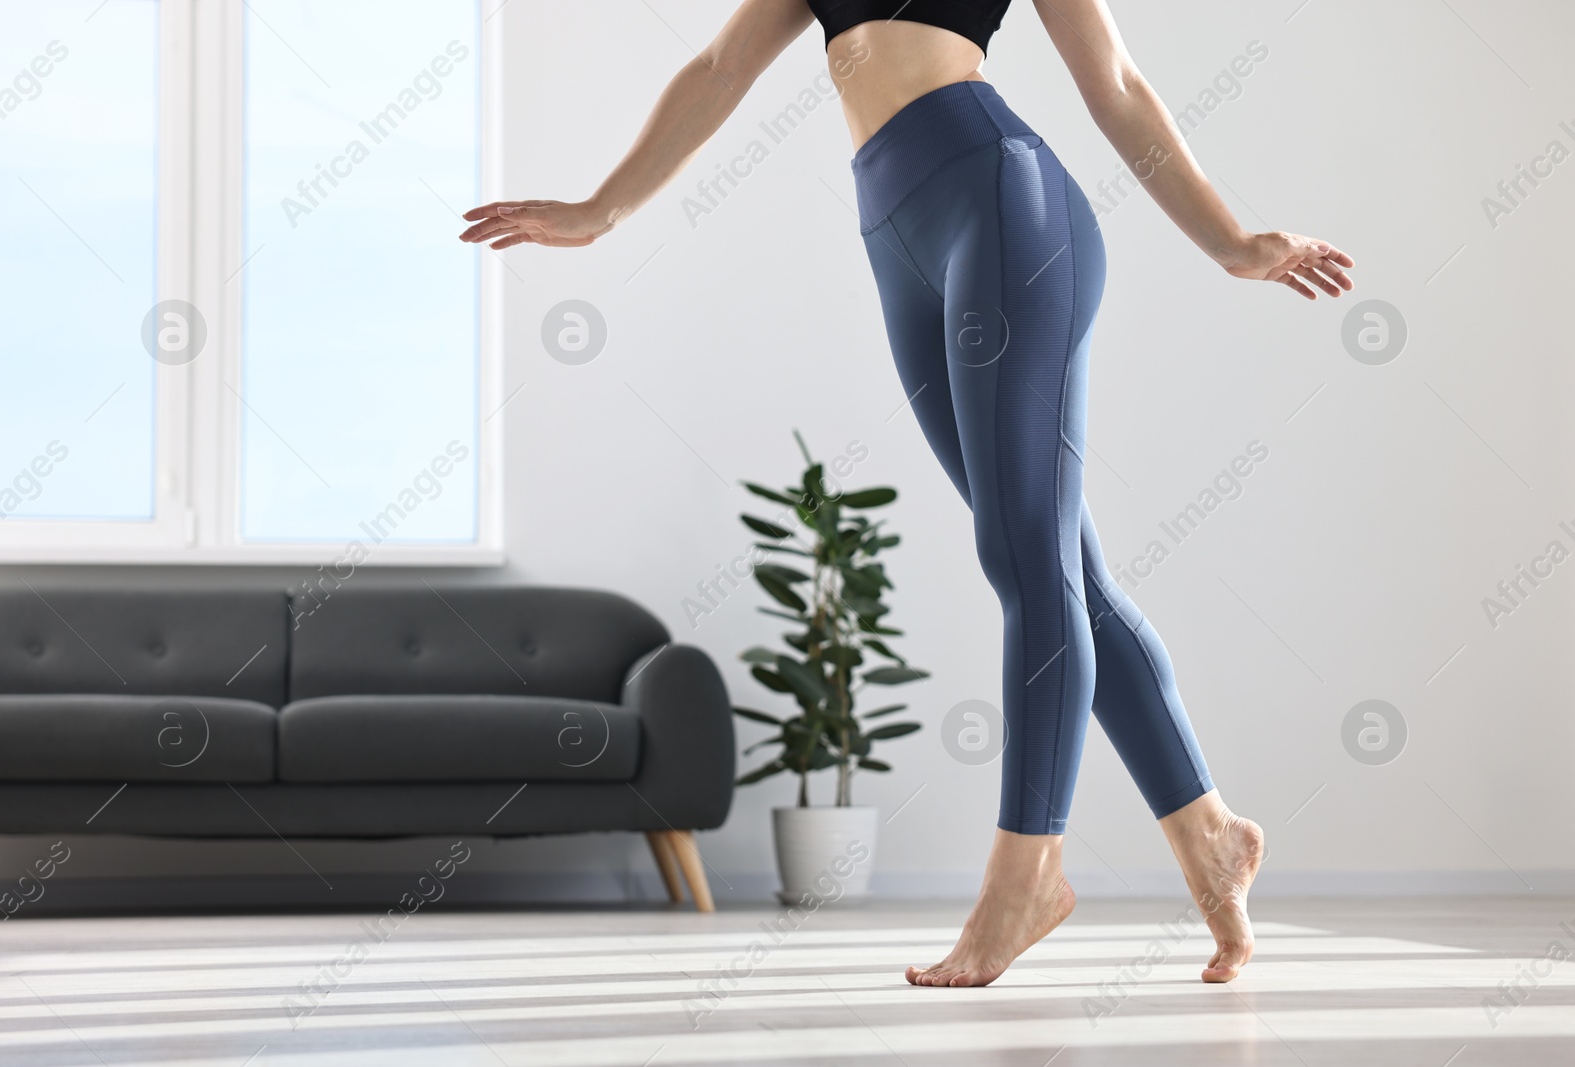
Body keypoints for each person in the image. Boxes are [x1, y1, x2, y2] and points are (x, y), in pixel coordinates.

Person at [460, 0, 1354, 988]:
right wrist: (599, 210)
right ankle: (1210, 832)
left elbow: (1117, 84)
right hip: (895, 229)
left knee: (1026, 559)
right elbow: (718, 69)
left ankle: (1026, 874)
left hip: (1002, 202)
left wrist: (1228, 241)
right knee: (1059, 567)